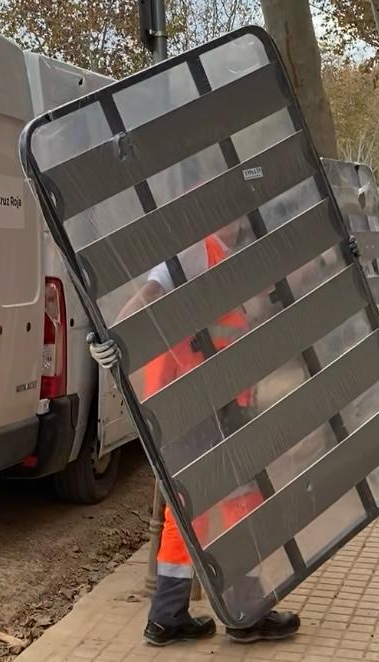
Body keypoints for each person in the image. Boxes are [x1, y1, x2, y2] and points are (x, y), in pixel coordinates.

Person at [88, 220, 301, 646]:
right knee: (241, 502)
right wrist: (113, 337)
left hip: (202, 404)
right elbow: (151, 292)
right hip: (198, 405)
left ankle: (167, 617)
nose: (238, 222)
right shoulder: (196, 250)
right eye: (231, 213)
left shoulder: (232, 258)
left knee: (187, 510)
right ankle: (245, 612)